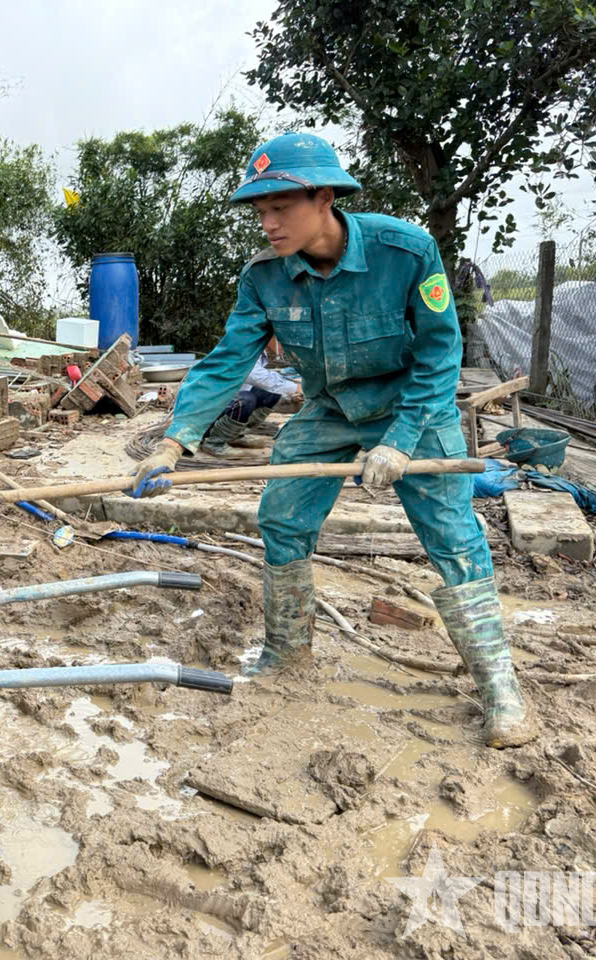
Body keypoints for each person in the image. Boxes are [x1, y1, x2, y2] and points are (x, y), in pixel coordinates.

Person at [127, 132, 537, 749]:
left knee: (451, 534)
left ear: (324, 198)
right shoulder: (264, 277)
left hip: (411, 405)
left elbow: (439, 352)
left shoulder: (405, 251)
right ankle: (286, 653)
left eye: (280, 207)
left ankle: (501, 692)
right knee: (281, 515)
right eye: (260, 211)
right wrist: (174, 443)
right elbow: (225, 362)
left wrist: (401, 441)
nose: (267, 224)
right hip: (329, 408)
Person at [200, 349, 303, 453]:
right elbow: (254, 375)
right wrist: (296, 388)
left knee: (272, 394)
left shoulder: (259, 352)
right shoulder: (245, 349)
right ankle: (214, 443)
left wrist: (290, 398)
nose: (282, 347)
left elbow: (257, 385)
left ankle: (235, 435)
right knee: (246, 400)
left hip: (226, 400)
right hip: (208, 414)